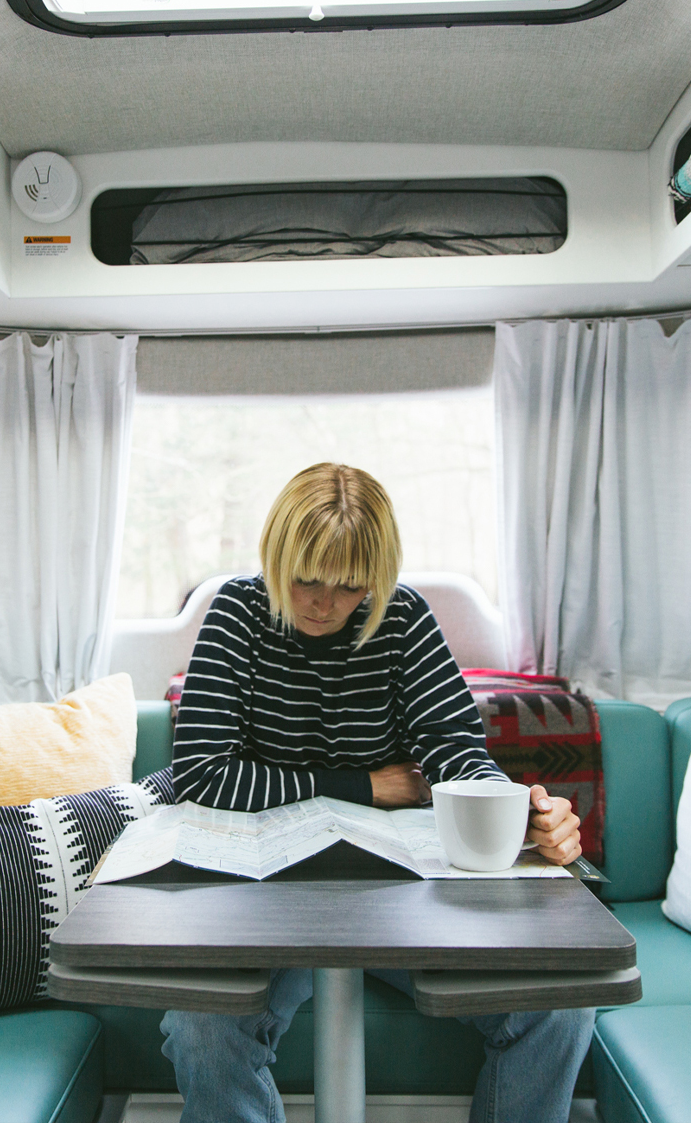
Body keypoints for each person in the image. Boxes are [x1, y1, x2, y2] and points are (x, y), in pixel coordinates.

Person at [161, 463, 591, 1123]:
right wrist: (364, 786)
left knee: (559, 1004)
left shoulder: (403, 618)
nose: (322, 604)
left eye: (348, 586)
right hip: (261, 891)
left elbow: (457, 756)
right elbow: (200, 775)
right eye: (305, 578)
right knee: (199, 1030)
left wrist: (517, 813)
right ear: (276, 557)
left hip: (395, 890)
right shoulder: (236, 615)